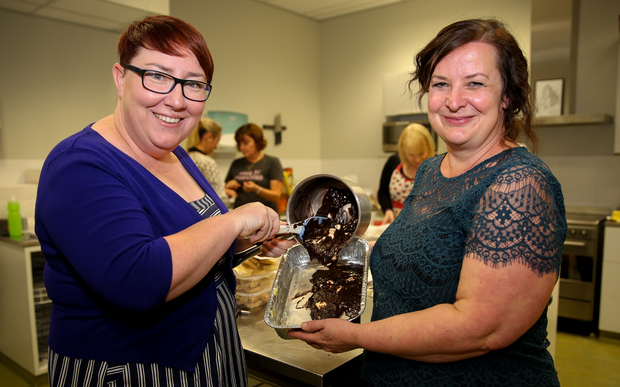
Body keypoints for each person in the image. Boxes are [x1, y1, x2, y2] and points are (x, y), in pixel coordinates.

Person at [281, 18, 568, 386]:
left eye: (475, 84)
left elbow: (478, 330)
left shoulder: (519, 184)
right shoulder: (433, 170)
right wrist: (300, 241)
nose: (453, 101)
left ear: (507, 97)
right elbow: (418, 251)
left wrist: (354, 336)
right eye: (440, 84)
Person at [34, 15, 290, 387]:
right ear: (121, 78)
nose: (176, 100)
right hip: (131, 365)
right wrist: (232, 221)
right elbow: (137, 279)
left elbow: (194, 243)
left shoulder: (174, 154)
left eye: (194, 84)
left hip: (208, 347)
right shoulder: (79, 164)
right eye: (157, 76)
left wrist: (250, 241)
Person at [377, 123, 436, 225]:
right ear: (403, 151)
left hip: (427, 225)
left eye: (421, 153)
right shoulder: (393, 162)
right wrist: (388, 210)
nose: (417, 159)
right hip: (396, 224)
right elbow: (383, 193)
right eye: (411, 155)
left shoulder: (438, 165)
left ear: (429, 147)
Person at [225, 123, 284, 213]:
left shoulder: (272, 162)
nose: (241, 148)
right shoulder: (236, 163)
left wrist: (256, 189)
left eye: (246, 143)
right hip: (240, 215)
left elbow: (276, 196)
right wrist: (228, 187)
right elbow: (224, 190)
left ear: (257, 141)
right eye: (239, 144)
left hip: (266, 216)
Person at [186, 117, 235, 201]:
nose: (216, 147)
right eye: (217, 141)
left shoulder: (183, 159)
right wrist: (230, 195)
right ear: (209, 137)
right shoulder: (207, 162)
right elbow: (219, 197)